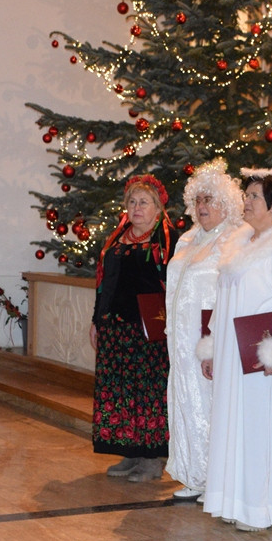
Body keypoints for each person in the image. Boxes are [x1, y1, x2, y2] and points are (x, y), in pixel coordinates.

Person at [199, 170, 272, 531]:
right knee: (232, 424)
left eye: (255, 196)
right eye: (248, 195)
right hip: (231, 351)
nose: (247, 202)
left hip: (261, 354)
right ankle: (233, 500)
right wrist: (211, 345)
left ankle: (261, 508)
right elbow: (220, 299)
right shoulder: (237, 244)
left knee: (262, 428)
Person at [91, 174, 180, 482]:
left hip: (149, 329)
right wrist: (96, 321)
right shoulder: (117, 238)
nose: (137, 208)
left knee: (149, 392)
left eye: (144, 202)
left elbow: (175, 284)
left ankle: (153, 458)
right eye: (132, 202)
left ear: (158, 207)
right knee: (121, 391)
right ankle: (130, 452)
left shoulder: (166, 239)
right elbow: (103, 284)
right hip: (116, 328)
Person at [164, 159, 243, 502]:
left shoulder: (233, 239)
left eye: (210, 199)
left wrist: (212, 345)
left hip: (206, 342)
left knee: (208, 405)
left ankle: (215, 477)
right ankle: (193, 473)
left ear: (226, 204)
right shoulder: (187, 239)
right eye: (198, 200)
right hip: (179, 342)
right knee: (184, 402)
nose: (202, 206)